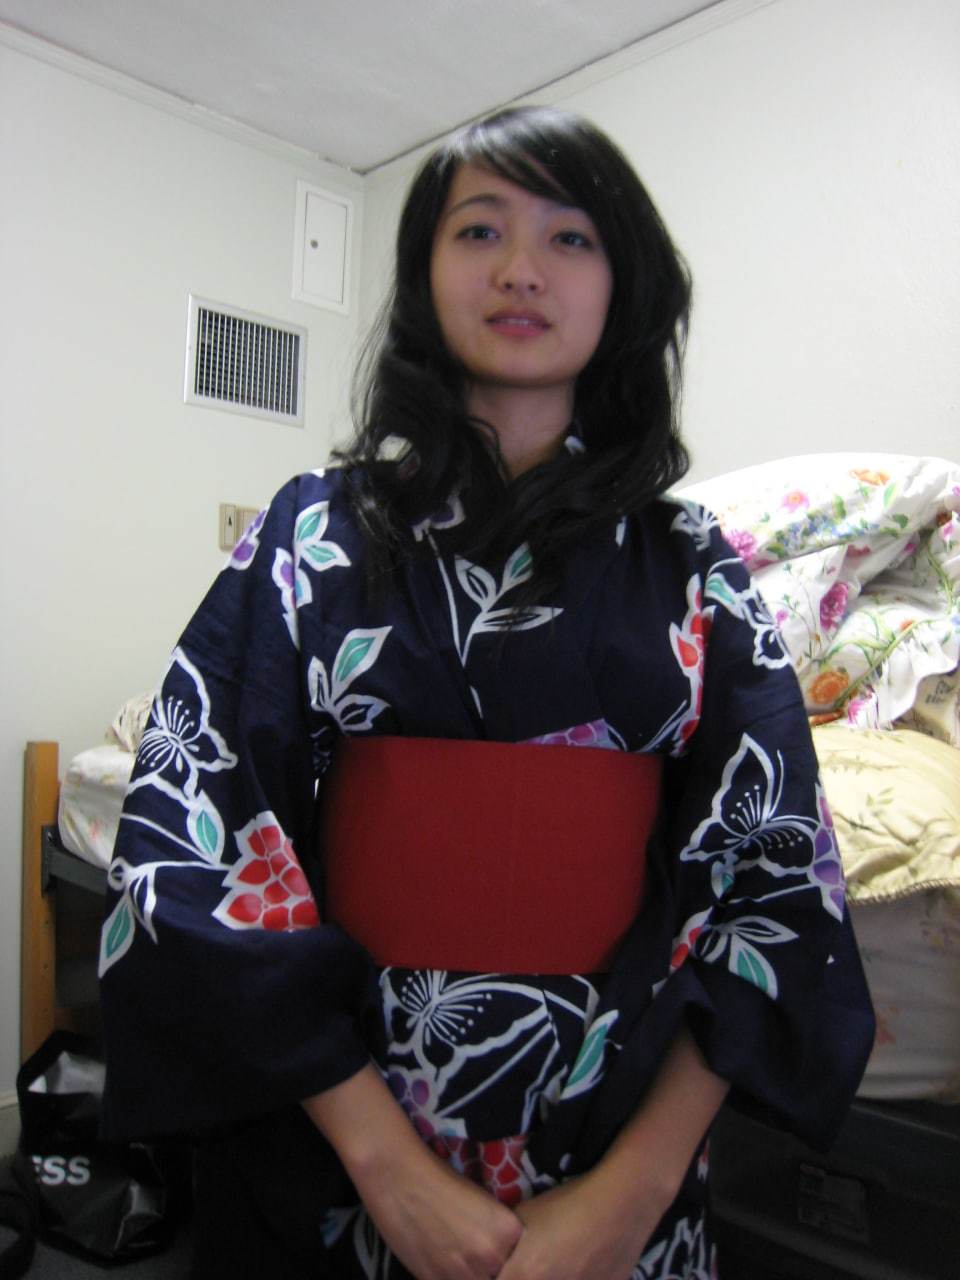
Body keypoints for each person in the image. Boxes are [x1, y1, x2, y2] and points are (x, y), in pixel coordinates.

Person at [99, 106, 875, 1279]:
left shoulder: (692, 562)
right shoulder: (308, 533)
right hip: (334, 1148)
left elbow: (772, 883)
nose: (520, 268)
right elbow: (191, 843)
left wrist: (631, 1194)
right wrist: (384, 1164)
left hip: (613, 1146)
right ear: (424, 273)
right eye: (480, 230)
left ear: (624, 284)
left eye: (570, 237)